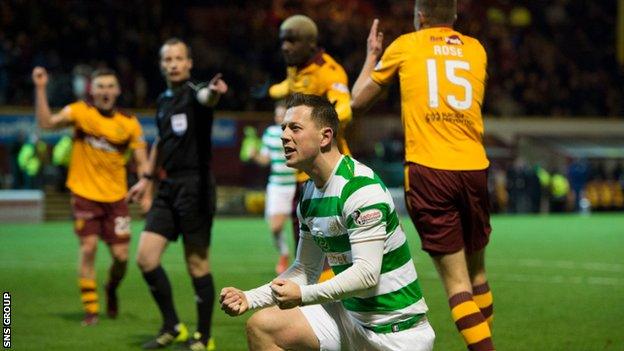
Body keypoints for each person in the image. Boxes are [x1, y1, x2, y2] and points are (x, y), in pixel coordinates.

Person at [220, 94, 434, 351]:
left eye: (295, 128)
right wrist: (249, 298)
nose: (284, 136)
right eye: (283, 128)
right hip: (350, 320)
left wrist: (303, 296)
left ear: (325, 136)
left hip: (396, 333)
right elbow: (304, 270)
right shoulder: (309, 193)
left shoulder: (359, 188)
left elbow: (366, 274)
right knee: (263, 326)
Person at [351, 1, 495, 350]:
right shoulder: (476, 49)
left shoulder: (405, 45)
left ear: (420, 17)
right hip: (474, 168)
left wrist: (373, 54)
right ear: (455, 17)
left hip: (430, 170)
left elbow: (356, 102)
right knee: (477, 275)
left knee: (457, 285)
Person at [126, 38, 227, 351]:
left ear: (189, 63)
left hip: (195, 187)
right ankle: (173, 326)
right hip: (167, 188)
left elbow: (208, 98)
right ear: (161, 64)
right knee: (145, 258)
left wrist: (214, 92)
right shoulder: (163, 100)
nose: (172, 63)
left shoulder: (196, 93)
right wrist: (146, 178)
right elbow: (161, 140)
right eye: (167, 58)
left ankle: (204, 337)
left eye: (178, 58)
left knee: (196, 264)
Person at [32, 66, 148, 326]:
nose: (105, 91)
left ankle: (110, 288)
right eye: (100, 86)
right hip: (84, 194)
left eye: (110, 86)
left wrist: (146, 189)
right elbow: (46, 123)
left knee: (121, 258)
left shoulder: (129, 122)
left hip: (117, 199)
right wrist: (40, 88)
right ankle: (92, 310)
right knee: (88, 248)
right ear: (91, 90)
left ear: (117, 90)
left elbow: (143, 163)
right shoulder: (80, 112)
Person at [270, 14, 353, 281]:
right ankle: (312, 303)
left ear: (310, 43)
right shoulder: (297, 68)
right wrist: (273, 91)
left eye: (292, 41)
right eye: (283, 40)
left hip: (329, 173)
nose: (285, 47)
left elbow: (345, 109)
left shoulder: (329, 71)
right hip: (304, 174)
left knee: (333, 245)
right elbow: (291, 85)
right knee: (306, 247)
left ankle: (335, 306)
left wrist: (318, 127)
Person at [247, 100, 296, 274]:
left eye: (282, 114)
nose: (278, 117)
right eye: (277, 114)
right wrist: (255, 155)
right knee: (275, 227)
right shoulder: (270, 133)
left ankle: (303, 260)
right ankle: (284, 253)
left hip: (295, 185)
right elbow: (265, 160)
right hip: (277, 185)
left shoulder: (296, 132)